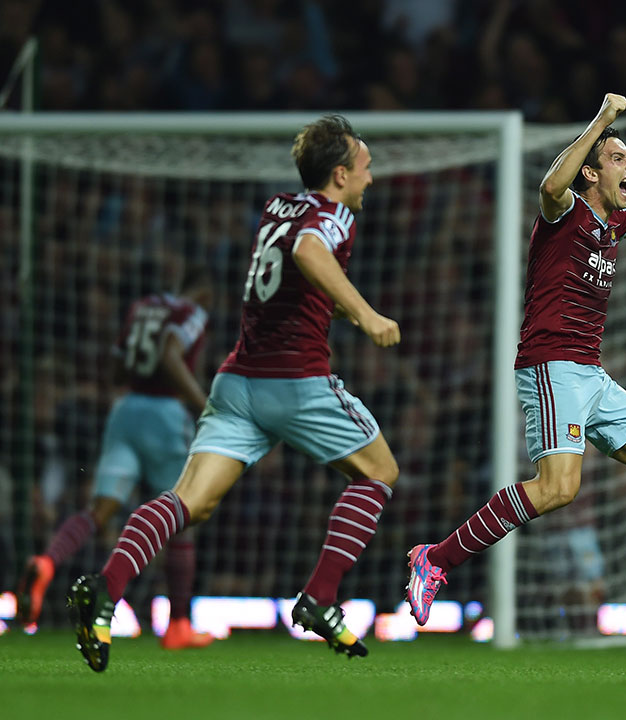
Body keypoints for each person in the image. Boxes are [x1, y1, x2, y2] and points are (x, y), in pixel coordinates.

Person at [405, 94, 626, 647]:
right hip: (551, 363)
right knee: (559, 488)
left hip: (590, 373)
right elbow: (549, 186)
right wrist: (603, 120)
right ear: (592, 170)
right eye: (619, 158)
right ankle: (434, 559)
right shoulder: (566, 212)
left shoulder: (612, 224)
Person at [68, 115, 403, 672]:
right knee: (380, 472)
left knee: (189, 504)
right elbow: (307, 255)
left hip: (238, 381)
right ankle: (321, 598)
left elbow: (296, 269)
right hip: (296, 384)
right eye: (366, 169)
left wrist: (338, 307)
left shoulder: (278, 207)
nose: (372, 178)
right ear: (340, 175)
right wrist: (367, 316)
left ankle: (104, 590)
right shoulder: (334, 215)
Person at [18, 270, 215, 651]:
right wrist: (204, 405)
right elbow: (172, 356)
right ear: (204, 292)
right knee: (181, 516)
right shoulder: (193, 311)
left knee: (98, 510)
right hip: (165, 415)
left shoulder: (143, 308)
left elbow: (116, 368)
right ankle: (178, 625)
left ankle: (46, 562)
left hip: (125, 410)